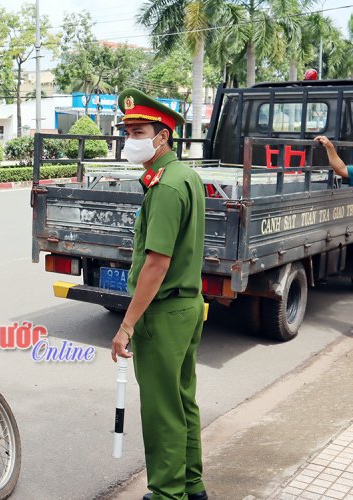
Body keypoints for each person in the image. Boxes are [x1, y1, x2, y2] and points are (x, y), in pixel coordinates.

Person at [110, 89, 208, 500]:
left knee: (162, 410)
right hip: (186, 308)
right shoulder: (183, 176)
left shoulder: (166, 187)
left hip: (163, 313)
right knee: (182, 401)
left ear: (162, 136)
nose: (130, 138)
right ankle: (191, 485)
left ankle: (169, 494)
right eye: (127, 130)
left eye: (139, 130)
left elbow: (156, 264)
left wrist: (127, 325)